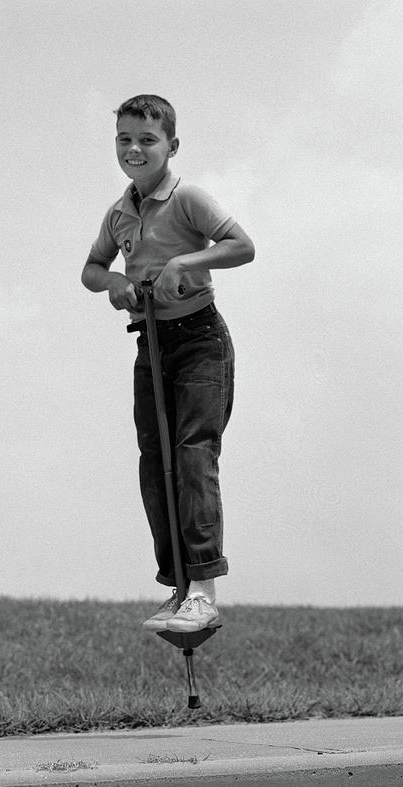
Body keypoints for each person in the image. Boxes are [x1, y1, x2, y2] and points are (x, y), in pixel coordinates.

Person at [81, 94, 254, 633]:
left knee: (193, 455)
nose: (134, 149)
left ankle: (203, 591)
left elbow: (241, 246)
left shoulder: (188, 198)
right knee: (156, 464)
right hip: (151, 345)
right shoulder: (119, 213)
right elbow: (91, 269)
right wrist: (113, 281)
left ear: (172, 146)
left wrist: (185, 261)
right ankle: (178, 587)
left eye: (147, 140)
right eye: (124, 139)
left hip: (201, 339)